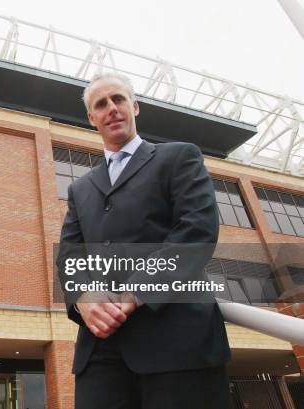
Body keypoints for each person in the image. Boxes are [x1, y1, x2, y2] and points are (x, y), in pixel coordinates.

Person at [57, 72, 231, 409]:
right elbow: (69, 257)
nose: (112, 108)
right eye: (101, 104)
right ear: (92, 119)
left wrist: (134, 292)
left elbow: (196, 232)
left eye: (118, 99)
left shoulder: (179, 157)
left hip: (178, 343)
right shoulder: (80, 189)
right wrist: (81, 298)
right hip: (101, 353)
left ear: (134, 106)